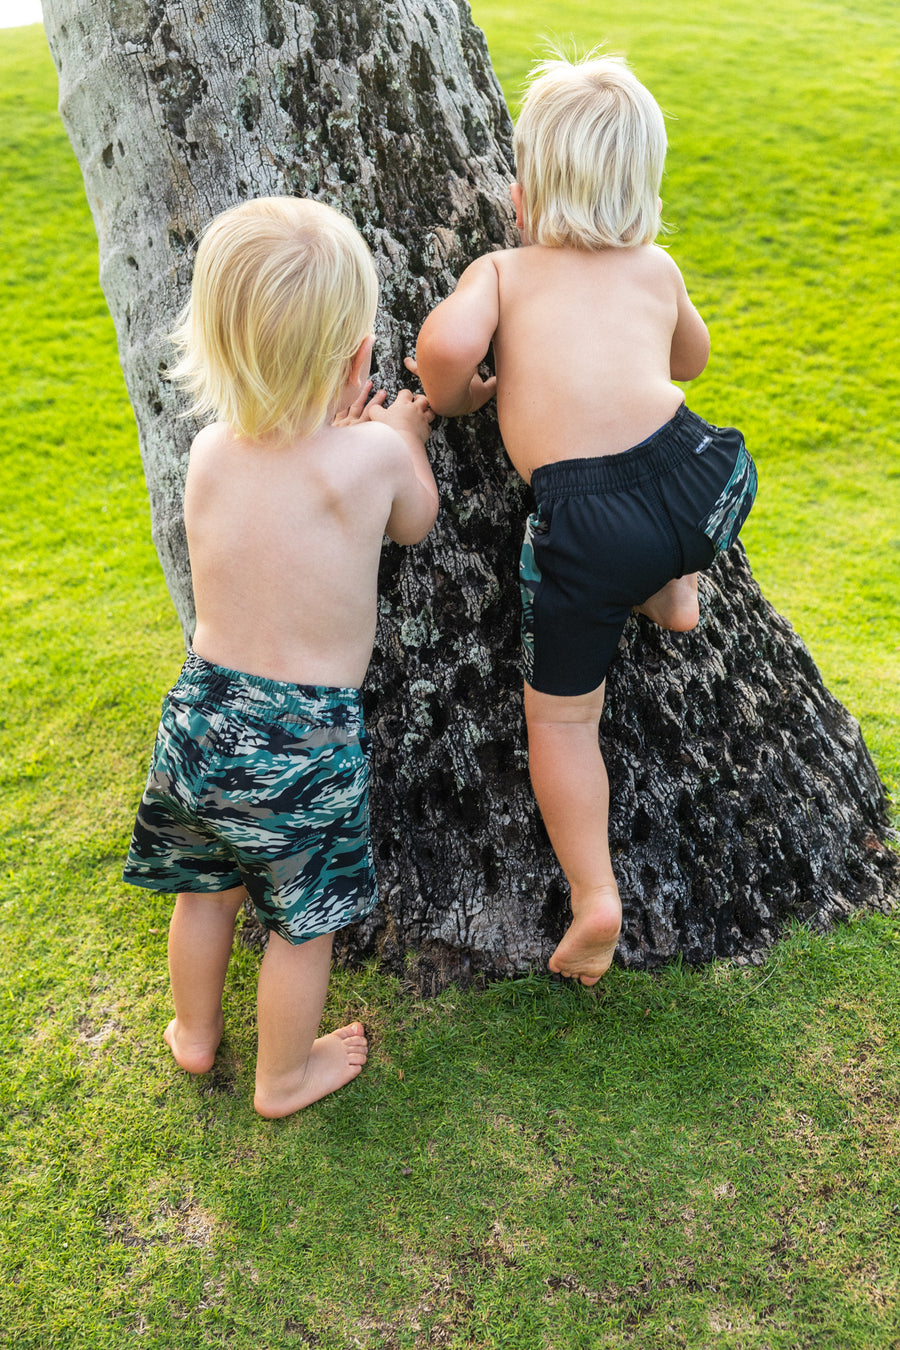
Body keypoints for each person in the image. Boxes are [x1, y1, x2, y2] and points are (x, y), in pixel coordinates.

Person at [406, 52, 756, 986]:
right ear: (644, 188)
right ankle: (675, 593)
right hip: (703, 481)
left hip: (583, 520)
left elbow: (439, 348)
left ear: (525, 197)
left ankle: (595, 896)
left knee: (562, 723)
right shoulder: (656, 266)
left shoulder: (506, 271)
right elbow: (693, 362)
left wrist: (465, 395)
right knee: (665, 514)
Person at [124, 196, 438, 1115]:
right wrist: (404, 436)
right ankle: (284, 1075)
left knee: (207, 896)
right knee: (305, 927)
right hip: (302, 739)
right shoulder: (369, 461)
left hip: (199, 715)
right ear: (355, 360)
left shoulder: (210, 451)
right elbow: (416, 522)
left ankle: (195, 1034)